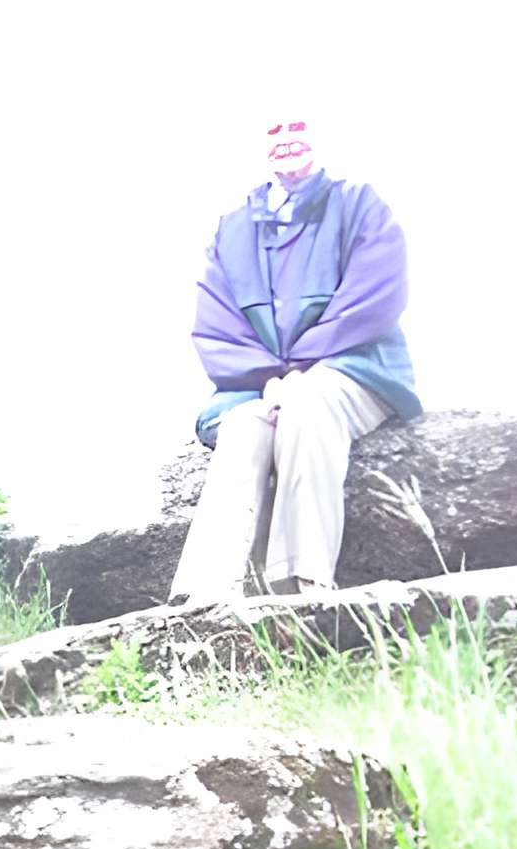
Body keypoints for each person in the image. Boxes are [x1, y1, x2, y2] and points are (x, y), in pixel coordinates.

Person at [168, 116, 421, 607]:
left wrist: (300, 369)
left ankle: (301, 587)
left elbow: (374, 296)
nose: (286, 138)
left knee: (308, 405)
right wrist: (268, 379)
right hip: (262, 387)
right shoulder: (233, 229)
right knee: (243, 429)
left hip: (353, 370)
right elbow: (216, 322)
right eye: (273, 129)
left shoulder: (359, 206)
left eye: (298, 125)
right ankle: (202, 596)